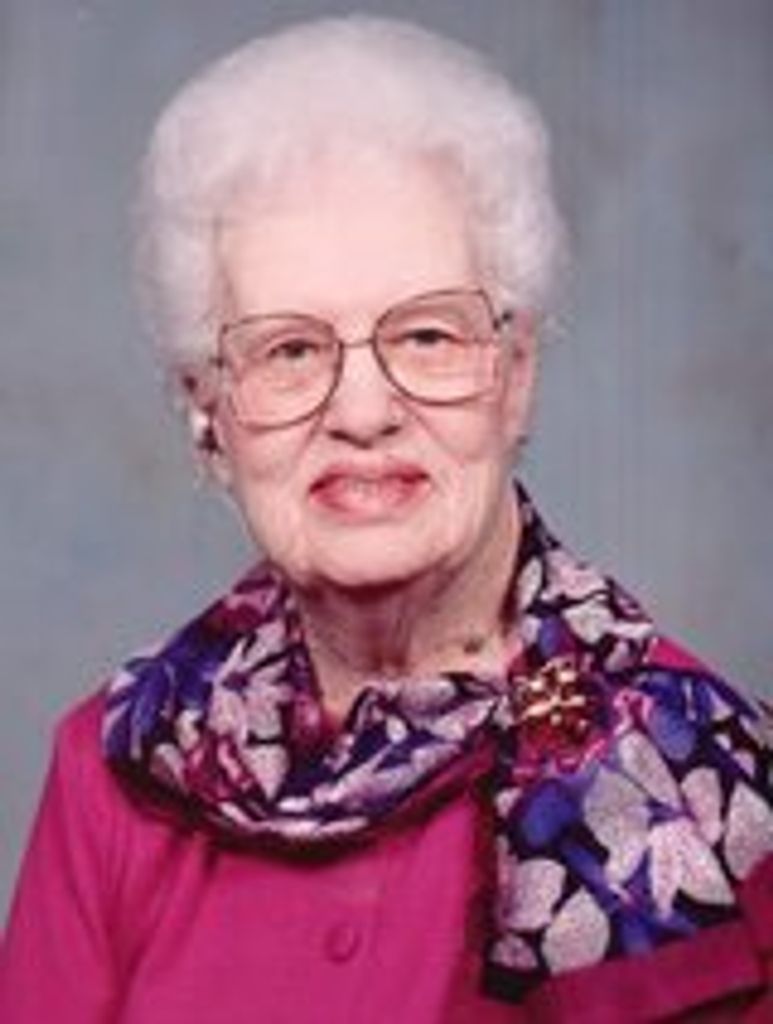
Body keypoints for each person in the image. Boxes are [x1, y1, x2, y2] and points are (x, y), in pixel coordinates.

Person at [1, 14, 772, 1023]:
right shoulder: (116, 770)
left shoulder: (699, 781)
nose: (363, 413)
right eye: (289, 350)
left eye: (425, 335)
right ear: (208, 411)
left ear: (514, 376)